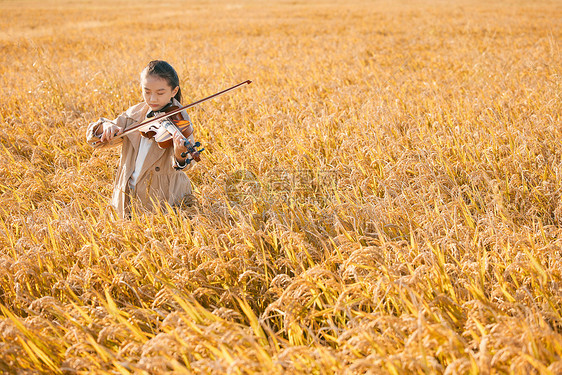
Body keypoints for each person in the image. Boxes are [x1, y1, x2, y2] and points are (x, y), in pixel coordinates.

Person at [86, 60, 197, 219]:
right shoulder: (135, 114)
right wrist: (106, 127)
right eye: (147, 91)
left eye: (160, 93)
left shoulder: (180, 120)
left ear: (174, 91)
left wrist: (180, 155)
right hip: (127, 194)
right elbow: (95, 139)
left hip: (163, 198)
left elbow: (188, 164)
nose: (152, 99)